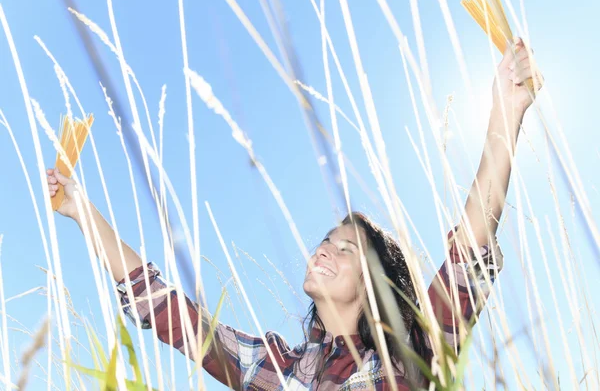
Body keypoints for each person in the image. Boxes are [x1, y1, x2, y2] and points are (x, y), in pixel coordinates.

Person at [46, 38, 540, 390]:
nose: (327, 247)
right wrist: (80, 209)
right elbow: (166, 309)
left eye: (349, 249)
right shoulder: (273, 367)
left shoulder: (413, 351)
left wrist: (506, 113)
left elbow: (470, 249)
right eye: (328, 239)